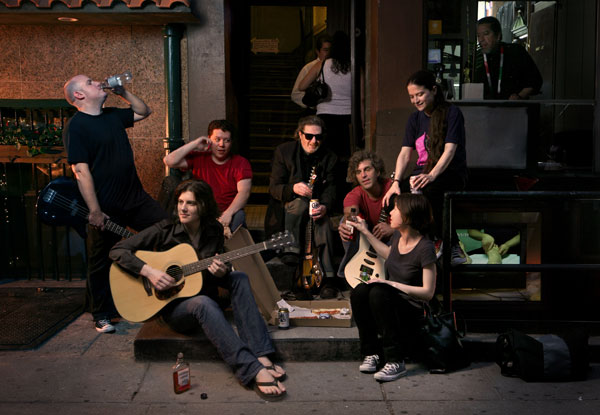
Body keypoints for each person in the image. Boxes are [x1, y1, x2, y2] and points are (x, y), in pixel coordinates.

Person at [109, 180, 287, 401]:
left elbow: (210, 272)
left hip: (204, 295)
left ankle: (260, 353)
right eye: (181, 202)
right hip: (175, 309)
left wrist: (220, 272)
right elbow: (118, 250)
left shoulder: (213, 230)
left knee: (239, 277)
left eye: (190, 203)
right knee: (202, 302)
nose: (183, 208)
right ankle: (250, 369)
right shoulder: (164, 229)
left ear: (203, 206)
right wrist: (149, 272)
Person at [63, 74, 168, 333]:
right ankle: (101, 314)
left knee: (168, 227)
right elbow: (81, 171)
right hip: (106, 207)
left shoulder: (111, 116)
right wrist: (95, 210)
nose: (97, 82)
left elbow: (144, 111)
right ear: (79, 95)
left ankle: (161, 284)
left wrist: (122, 91)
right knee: (100, 260)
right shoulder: (76, 126)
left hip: (135, 198)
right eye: (89, 82)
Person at [347, 193, 437, 382]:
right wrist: (365, 231)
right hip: (393, 304)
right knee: (360, 291)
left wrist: (391, 284)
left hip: (414, 311)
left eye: (396, 209)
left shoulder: (425, 247)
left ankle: (396, 361)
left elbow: (428, 293)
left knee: (379, 291)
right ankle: (372, 353)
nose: (391, 212)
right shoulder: (398, 236)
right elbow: (389, 254)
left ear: (408, 216)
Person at [382, 70, 468, 265]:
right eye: (412, 96)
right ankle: (413, 245)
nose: (415, 100)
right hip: (422, 174)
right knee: (393, 199)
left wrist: (431, 175)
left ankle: (449, 244)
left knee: (428, 190)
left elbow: (450, 150)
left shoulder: (452, 113)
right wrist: (395, 183)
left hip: (449, 173)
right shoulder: (414, 119)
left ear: (434, 90)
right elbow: (405, 153)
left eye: (420, 94)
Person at [264, 115, 340, 299]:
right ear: (299, 134)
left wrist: (325, 206)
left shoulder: (330, 157)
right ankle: (290, 249)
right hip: (288, 210)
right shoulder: (284, 151)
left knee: (323, 223)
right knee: (298, 205)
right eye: (309, 136)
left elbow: (331, 188)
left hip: (315, 207)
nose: (314, 141)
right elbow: (274, 188)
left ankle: (328, 279)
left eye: (318, 137)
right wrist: (293, 188)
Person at [163, 120, 252, 235]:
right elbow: (169, 161)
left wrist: (228, 214)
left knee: (239, 215)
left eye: (227, 140)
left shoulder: (240, 163)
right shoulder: (199, 158)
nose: (221, 145)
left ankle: (231, 250)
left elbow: (244, 193)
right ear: (209, 139)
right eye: (217, 139)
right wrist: (195, 144)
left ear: (231, 142)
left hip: (227, 212)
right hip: (201, 212)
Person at [337, 150, 394, 280]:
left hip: (390, 241)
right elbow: (350, 213)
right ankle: (352, 270)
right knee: (344, 223)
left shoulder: (392, 188)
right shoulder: (355, 194)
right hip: (368, 240)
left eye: (367, 169)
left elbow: (410, 219)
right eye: (358, 172)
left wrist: (392, 229)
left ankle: (394, 275)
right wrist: (347, 223)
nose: (363, 175)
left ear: (378, 172)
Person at [298, 31, 352, 159]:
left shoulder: (322, 64)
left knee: (325, 154)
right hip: (347, 116)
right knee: (344, 154)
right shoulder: (354, 67)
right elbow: (361, 98)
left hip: (325, 115)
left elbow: (302, 86)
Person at [473, 16, 543, 100]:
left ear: (498, 35)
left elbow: (535, 81)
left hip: (514, 109)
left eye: (486, 34)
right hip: (484, 110)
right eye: (478, 35)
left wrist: (519, 96)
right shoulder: (476, 58)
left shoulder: (515, 52)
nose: (481, 39)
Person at [291, 34, 332, 111]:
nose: (328, 53)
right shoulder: (309, 68)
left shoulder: (334, 68)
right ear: (317, 51)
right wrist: (314, 106)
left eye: (330, 50)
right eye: (325, 50)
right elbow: (296, 94)